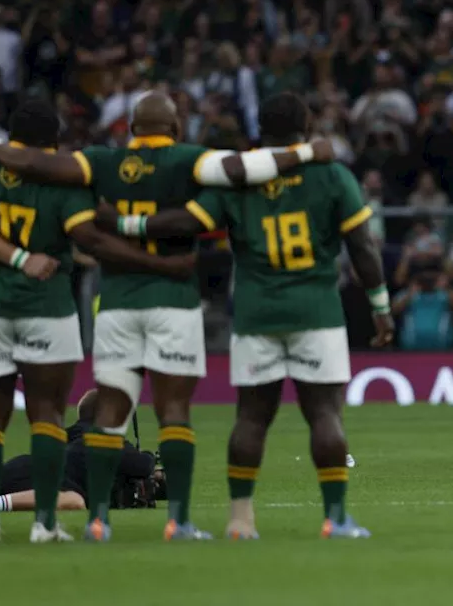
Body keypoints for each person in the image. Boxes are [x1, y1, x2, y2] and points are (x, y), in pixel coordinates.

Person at [0, 91, 335, 542]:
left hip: (117, 303)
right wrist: (307, 151)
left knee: (107, 413)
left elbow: (39, 165)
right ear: (176, 128)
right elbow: (243, 170)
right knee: (174, 411)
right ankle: (179, 521)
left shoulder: (102, 162)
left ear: (130, 130)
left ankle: (98, 521)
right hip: (173, 303)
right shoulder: (189, 159)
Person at [134, 93, 394, 539]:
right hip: (316, 310)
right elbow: (363, 248)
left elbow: (194, 225)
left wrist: (131, 225)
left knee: (251, 417)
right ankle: (335, 518)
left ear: (261, 129)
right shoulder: (330, 174)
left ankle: (240, 519)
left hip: (256, 312)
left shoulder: (238, 182)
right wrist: (381, 308)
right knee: (325, 414)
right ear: (307, 125)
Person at [0, 98, 196, 544]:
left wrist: (4, 256)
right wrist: (155, 263)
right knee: (47, 416)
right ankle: (44, 524)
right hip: (48, 309)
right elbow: (88, 238)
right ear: (54, 141)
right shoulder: (63, 181)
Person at [0, 390, 157, 515]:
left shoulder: (71, 436)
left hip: (25, 465)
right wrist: (149, 455)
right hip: (50, 483)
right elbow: (143, 466)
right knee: (75, 500)